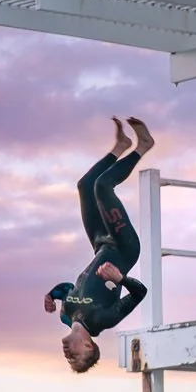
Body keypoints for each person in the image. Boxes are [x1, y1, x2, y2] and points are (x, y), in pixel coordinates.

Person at [45, 117, 155, 372]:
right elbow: (140, 294)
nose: (67, 355)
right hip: (123, 247)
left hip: (99, 243)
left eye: (67, 359)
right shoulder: (104, 319)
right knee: (103, 186)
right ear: (88, 347)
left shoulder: (66, 314)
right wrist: (120, 279)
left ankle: (121, 146)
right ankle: (143, 146)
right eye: (74, 357)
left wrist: (52, 294)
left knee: (85, 186)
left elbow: (69, 288)